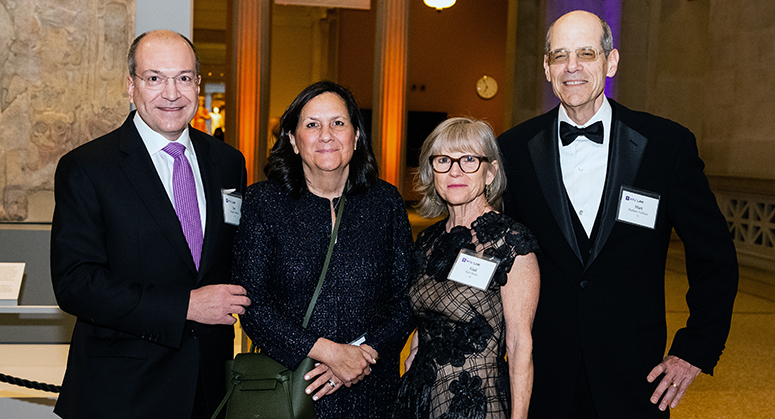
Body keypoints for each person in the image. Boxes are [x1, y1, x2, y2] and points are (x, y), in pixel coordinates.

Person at [497, 10, 739, 419]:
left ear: (611, 62)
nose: (572, 67)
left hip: (634, 377)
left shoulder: (666, 146)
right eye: (560, 56)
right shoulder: (513, 150)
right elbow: (492, 254)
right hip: (544, 378)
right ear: (546, 68)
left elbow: (714, 257)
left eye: (586, 54)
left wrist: (694, 350)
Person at [50, 30, 250, 419]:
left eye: (184, 78)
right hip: (123, 393)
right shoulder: (88, 168)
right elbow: (76, 283)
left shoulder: (228, 162)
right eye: (155, 78)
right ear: (131, 86)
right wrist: (185, 306)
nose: (172, 93)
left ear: (198, 83)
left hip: (209, 391)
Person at [231, 80, 415, 419]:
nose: (326, 135)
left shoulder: (385, 203)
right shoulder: (264, 203)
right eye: (312, 125)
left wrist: (363, 354)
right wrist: (328, 353)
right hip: (291, 388)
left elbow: (406, 298)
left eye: (338, 123)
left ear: (356, 136)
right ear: (293, 140)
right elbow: (252, 302)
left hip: (372, 389)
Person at [393, 117, 540, 419]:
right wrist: (412, 357)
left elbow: (520, 345)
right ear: (431, 171)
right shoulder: (428, 240)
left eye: (469, 159)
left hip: (474, 404)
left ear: (491, 172)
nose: (455, 171)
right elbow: (428, 314)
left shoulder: (510, 242)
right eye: (444, 160)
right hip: (419, 400)